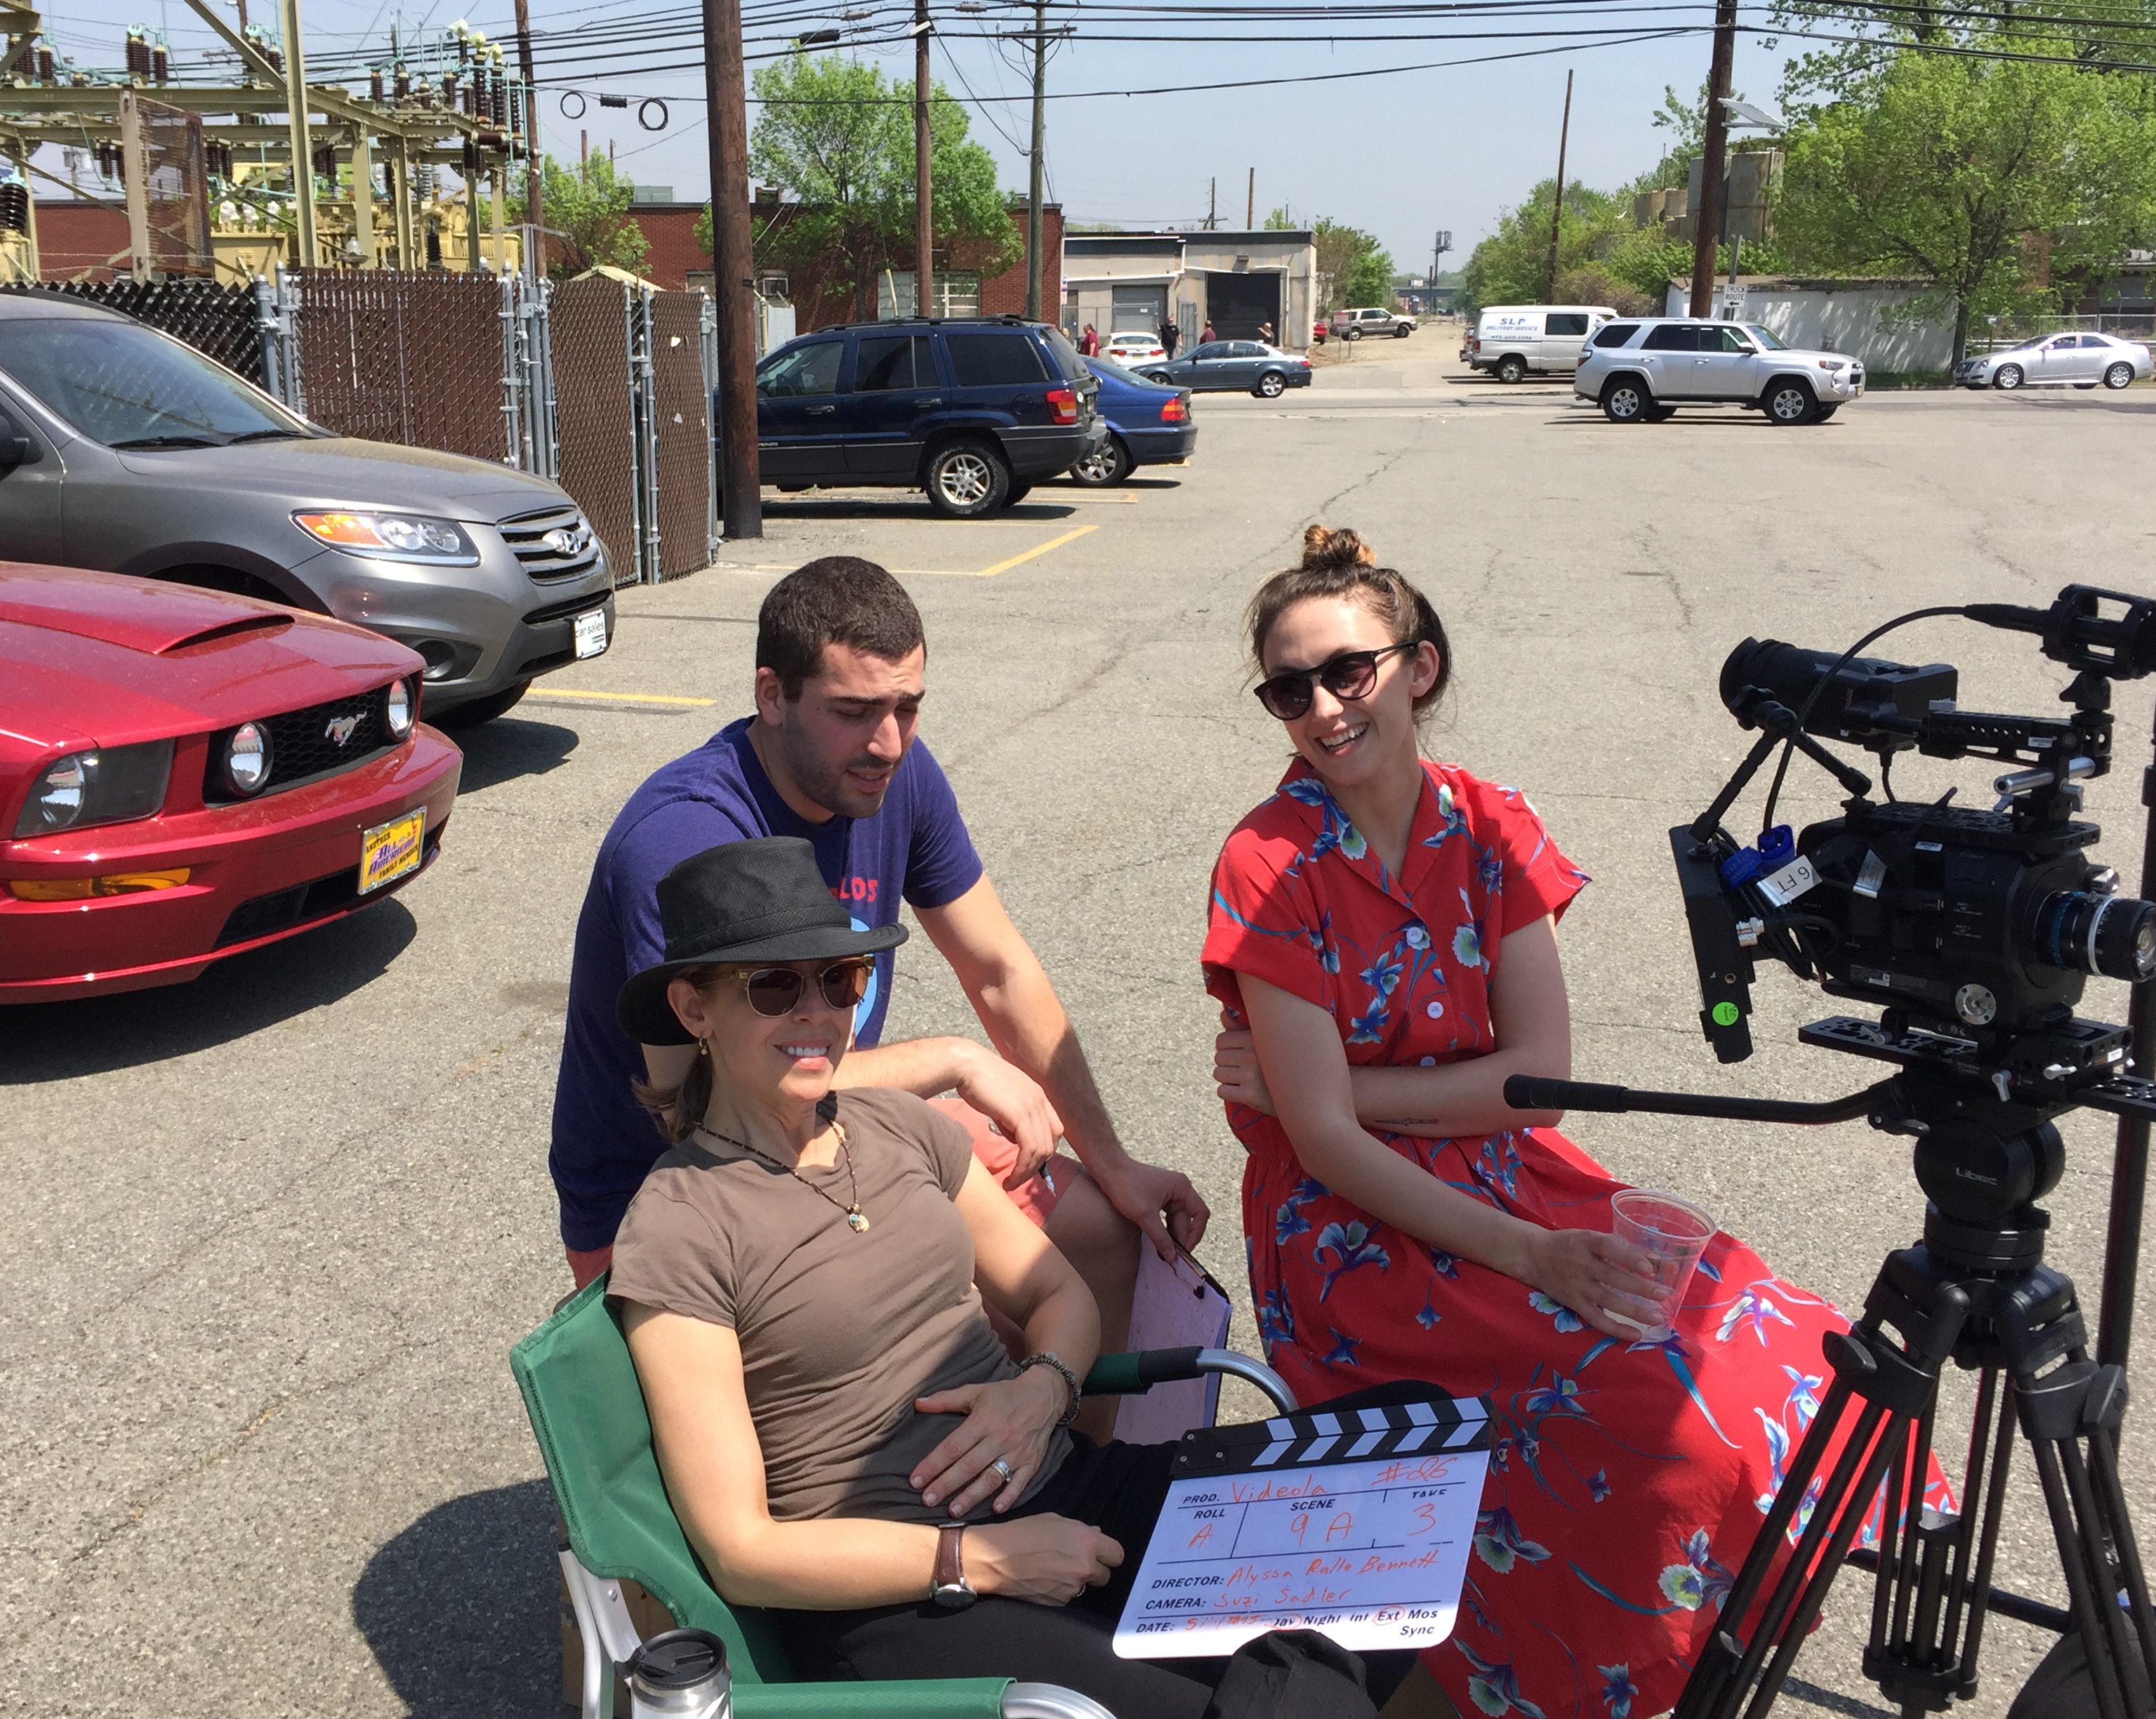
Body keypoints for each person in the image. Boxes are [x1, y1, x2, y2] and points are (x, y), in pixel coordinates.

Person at [1200, 527, 1947, 1719]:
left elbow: (1536, 1079)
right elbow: (1328, 1148)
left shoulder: (1488, 823)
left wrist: (1325, 1088)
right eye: (1288, 689)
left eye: (1348, 671)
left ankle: (1683, 1648)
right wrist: (1501, 1225)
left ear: (1418, 667)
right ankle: (1571, 1678)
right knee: (1652, 1411)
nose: (1322, 709)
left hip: (1508, 1165)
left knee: (1781, 1344)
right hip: (1348, 1229)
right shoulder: (1263, 860)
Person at [609, 837, 1416, 1719]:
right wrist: (981, 1559)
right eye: (774, 987)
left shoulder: (896, 1129)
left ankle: (1289, 1665)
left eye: (838, 981)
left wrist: (1044, 1387)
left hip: (1061, 1483)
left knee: (1410, 1475)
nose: (818, 1013)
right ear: (694, 1009)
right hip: (901, 1595)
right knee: (1307, 1682)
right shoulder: (680, 1226)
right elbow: (740, 1549)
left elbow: (1054, 1294)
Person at [553, 558, 1210, 1416]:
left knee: (1097, 1237)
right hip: (682, 1183)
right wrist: (949, 1059)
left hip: (823, 1119)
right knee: (898, 1356)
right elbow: (689, 1098)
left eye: (908, 707)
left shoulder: (891, 776)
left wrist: (1115, 1162)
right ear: (772, 694)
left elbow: (999, 969)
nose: (889, 742)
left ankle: (1072, 1486)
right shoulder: (687, 837)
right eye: (855, 712)